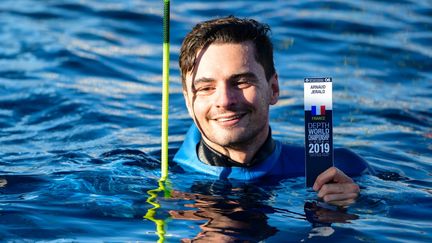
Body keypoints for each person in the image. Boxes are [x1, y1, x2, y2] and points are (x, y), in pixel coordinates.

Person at [173, 16, 372, 207]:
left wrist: (361, 205)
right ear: (188, 101)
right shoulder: (163, 185)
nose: (225, 101)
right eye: (206, 88)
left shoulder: (345, 168)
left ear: (273, 89)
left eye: (241, 82)